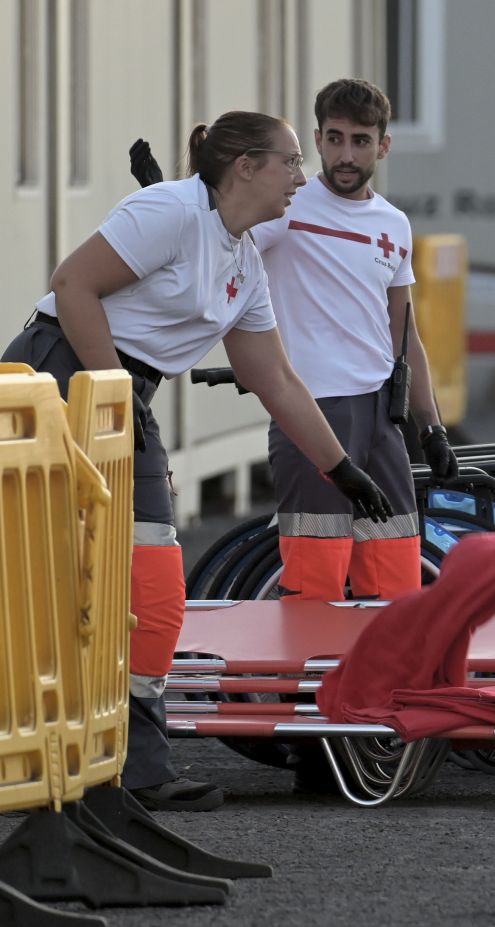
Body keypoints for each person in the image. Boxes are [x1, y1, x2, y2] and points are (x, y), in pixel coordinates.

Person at [2, 111, 392, 811]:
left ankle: (133, 766)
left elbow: (275, 377)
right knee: (37, 578)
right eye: (289, 162)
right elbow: (72, 287)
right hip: (59, 376)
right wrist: (114, 398)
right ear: (244, 165)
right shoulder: (171, 208)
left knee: (152, 591)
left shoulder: (245, 261)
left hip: (124, 397)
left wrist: (342, 470)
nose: (300, 178)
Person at [251, 79, 459, 602]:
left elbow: (404, 330)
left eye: (361, 141)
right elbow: (216, 240)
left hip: (382, 418)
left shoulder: (394, 224)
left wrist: (431, 426)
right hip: (313, 410)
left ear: (383, 146)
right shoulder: (285, 208)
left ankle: (384, 688)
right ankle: (299, 688)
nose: (347, 154)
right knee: (316, 584)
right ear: (318, 140)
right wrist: (169, 197)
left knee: (396, 583)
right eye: (336, 138)